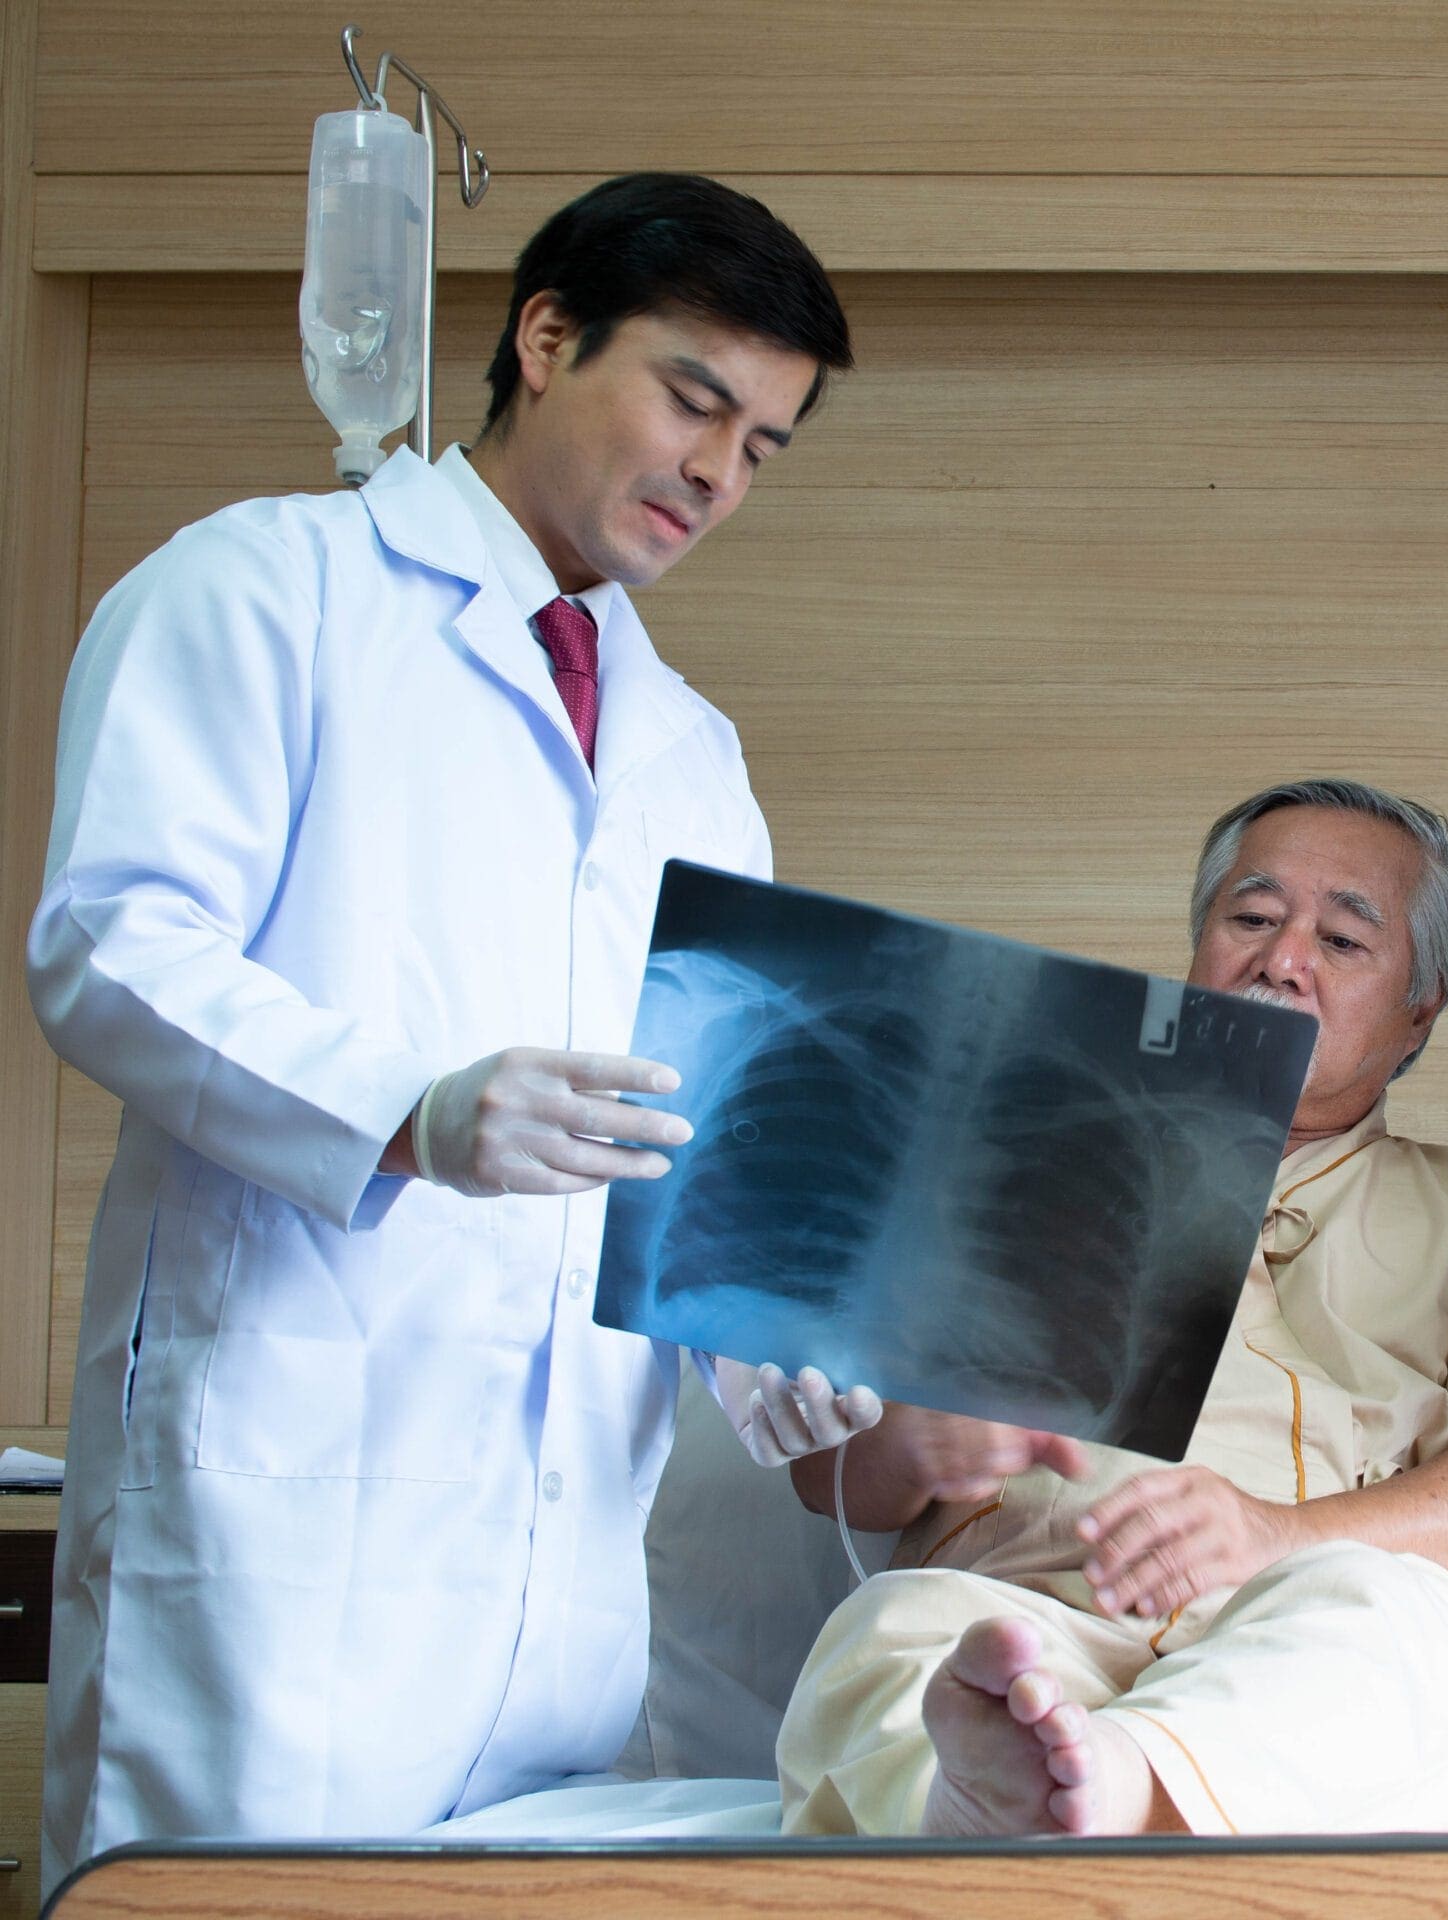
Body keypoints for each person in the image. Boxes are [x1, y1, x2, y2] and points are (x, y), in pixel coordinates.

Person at [29, 174, 873, 1887]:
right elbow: (113, 946)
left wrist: (755, 1325)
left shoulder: (691, 753)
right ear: (544, 337)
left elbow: (698, 1124)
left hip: (559, 1562)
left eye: (764, 446)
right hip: (287, 1522)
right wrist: (412, 1112)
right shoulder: (266, 590)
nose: (716, 474)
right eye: (693, 401)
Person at [775, 779, 1448, 1838]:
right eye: (1253, 917)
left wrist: (1274, 1537)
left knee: (1389, 1625)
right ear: (1199, 946)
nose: (1281, 959)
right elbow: (831, 1479)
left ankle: (1081, 1795)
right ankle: (1003, 1790)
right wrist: (914, 1439)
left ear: (1424, 1002)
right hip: (1037, 1623)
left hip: (1313, 1637)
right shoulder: (1004, 1161)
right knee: (894, 1632)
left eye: (1344, 941)